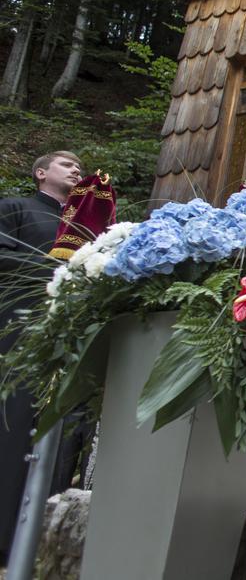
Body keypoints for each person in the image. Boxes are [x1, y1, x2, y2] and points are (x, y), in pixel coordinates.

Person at [0, 151, 82, 559]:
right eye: (67, 164)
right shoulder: (14, 209)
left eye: (79, 167)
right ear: (41, 173)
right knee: (13, 427)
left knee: (63, 432)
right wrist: (51, 269)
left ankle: (41, 542)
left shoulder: (86, 226)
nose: (76, 169)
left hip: (70, 341)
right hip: (16, 336)